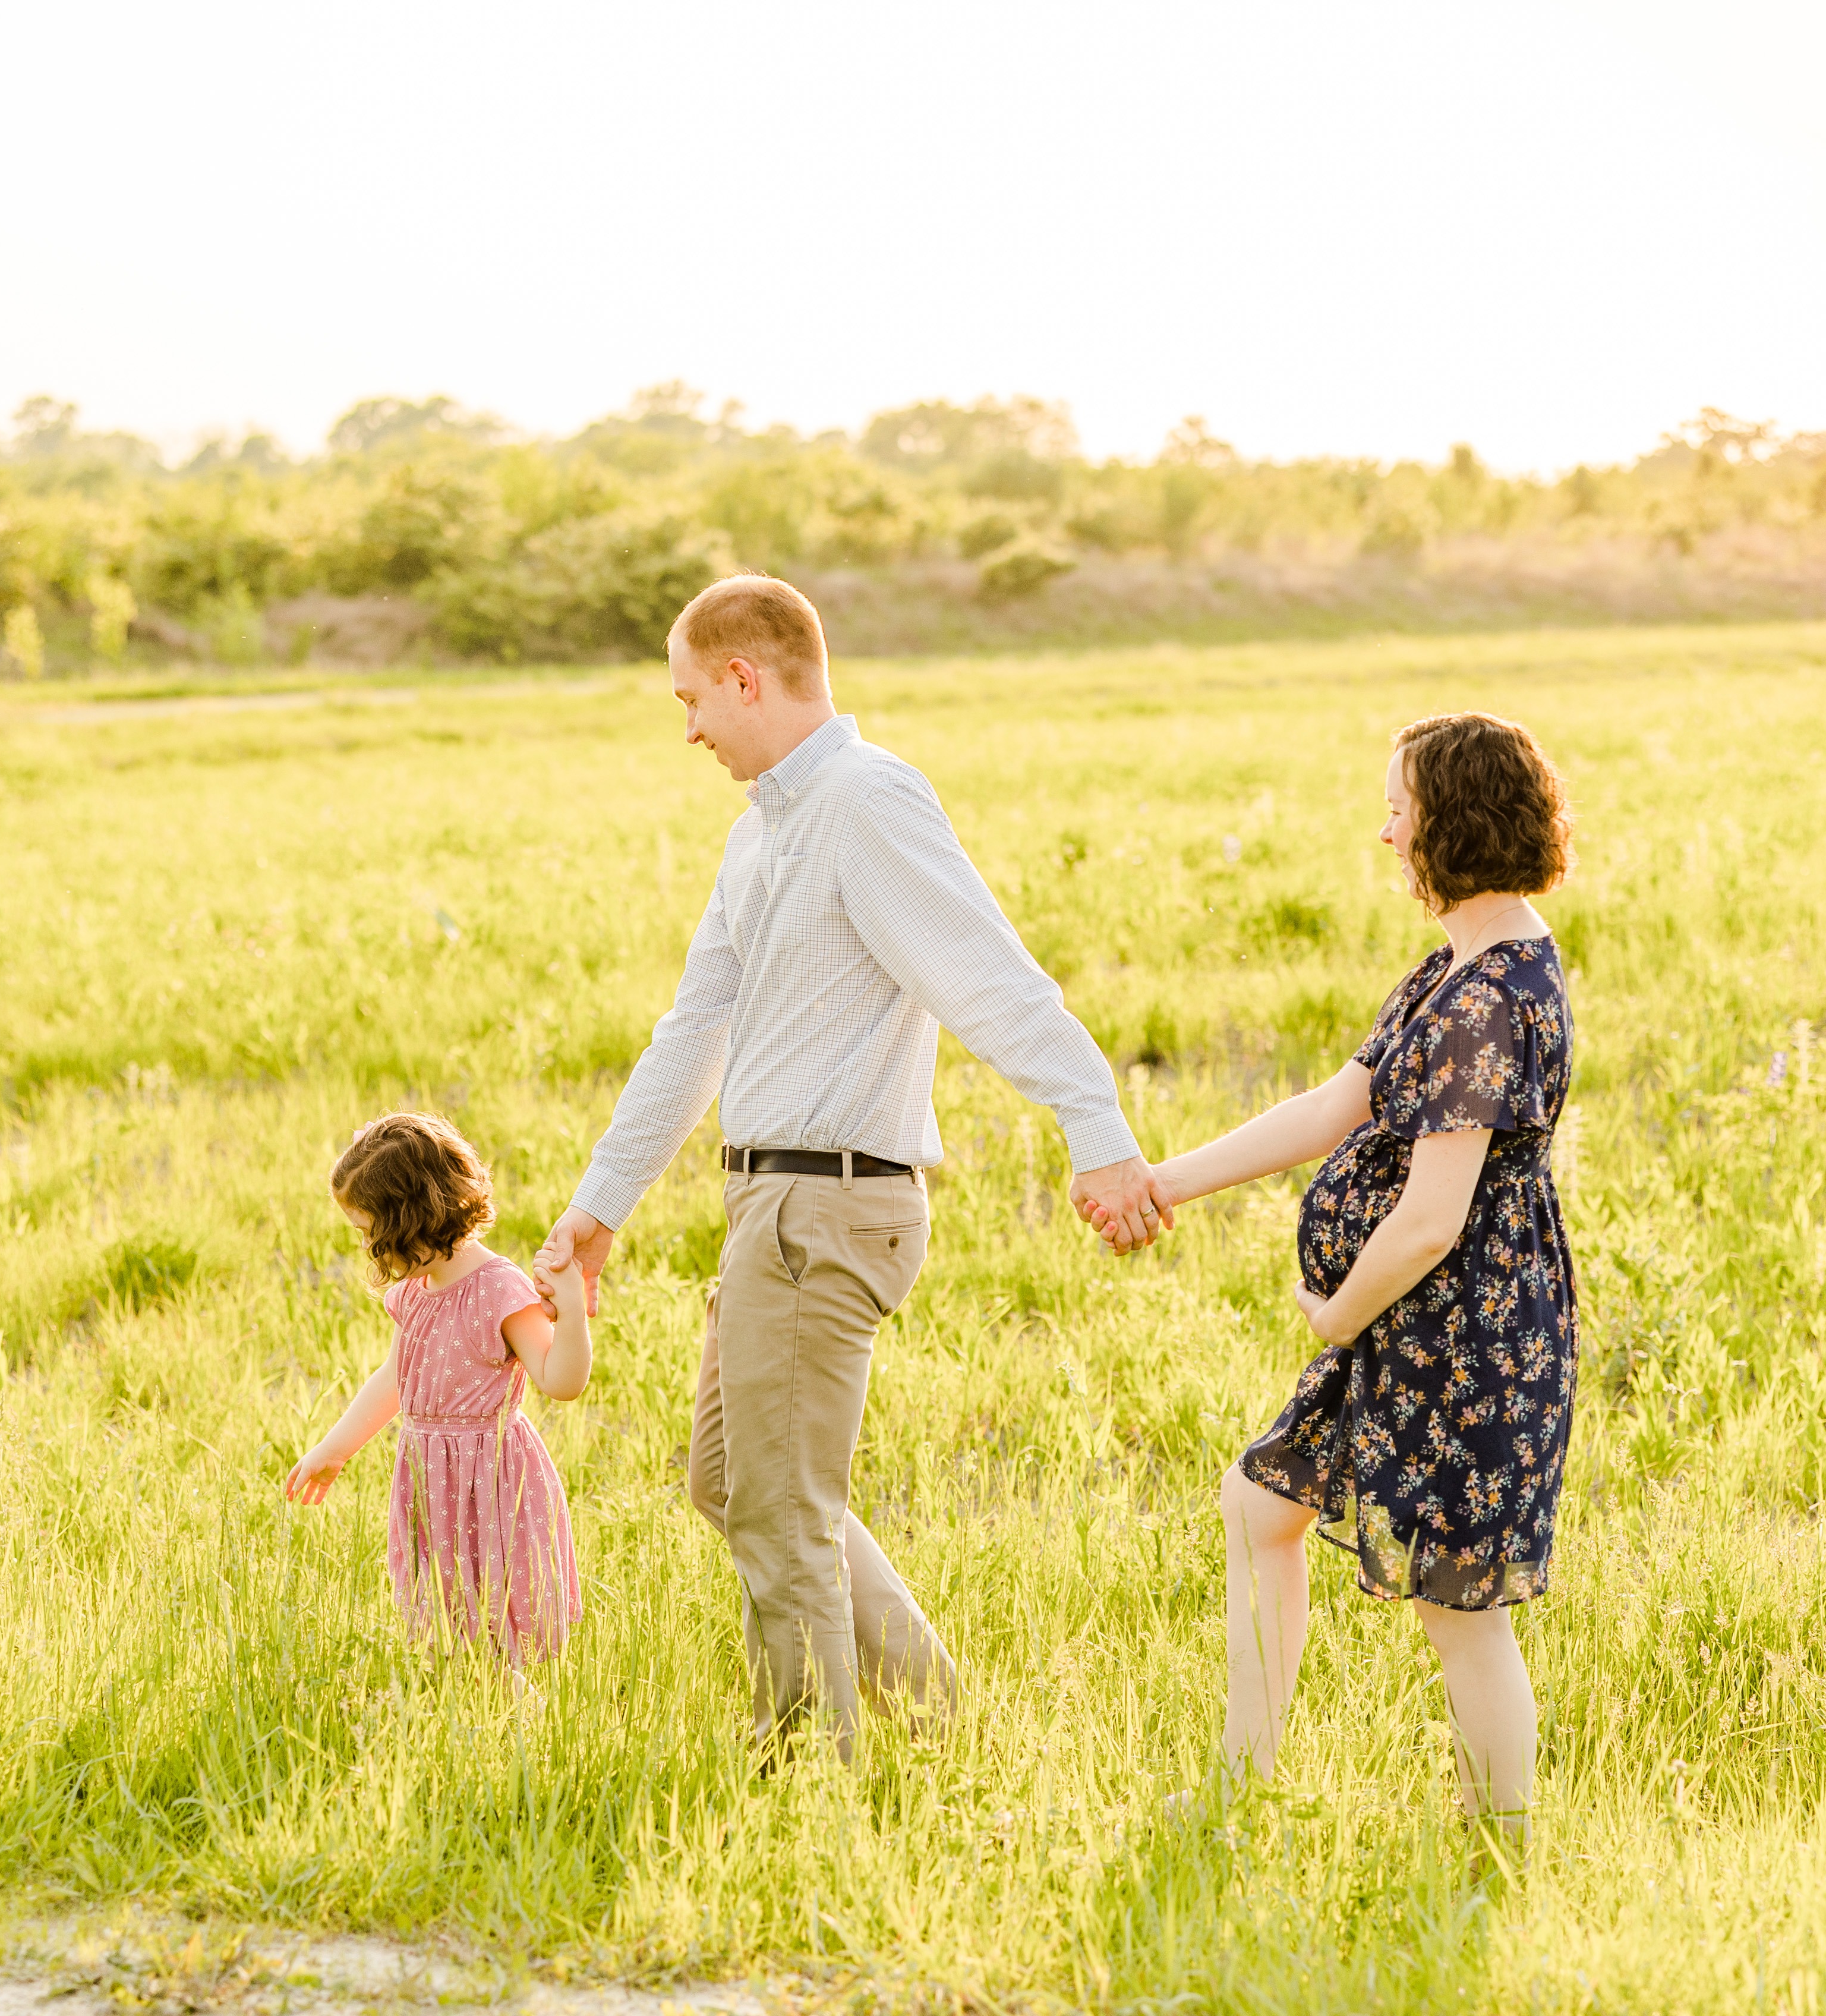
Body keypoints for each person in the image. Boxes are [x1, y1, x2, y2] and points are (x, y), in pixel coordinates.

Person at [531, 574, 1166, 1763]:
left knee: (782, 1511)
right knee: (733, 1484)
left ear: (745, 676)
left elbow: (985, 973)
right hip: (771, 1199)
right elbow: (694, 1029)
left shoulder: (867, 800)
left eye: (691, 701)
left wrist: (1099, 1126)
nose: (689, 732)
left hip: (830, 1199)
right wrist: (599, 1207)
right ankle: (937, 1717)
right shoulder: (763, 829)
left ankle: (804, 1777)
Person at [1145, 710, 1577, 1854]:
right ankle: (1242, 1788)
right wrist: (1162, 1181)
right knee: (1259, 1508)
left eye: (1399, 808)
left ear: (1454, 822)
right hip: (1413, 1330)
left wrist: (1335, 1312)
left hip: (1459, 1336)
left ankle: (1499, 1849)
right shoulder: (1457, 967)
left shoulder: (1491, 996)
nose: (1385, 833)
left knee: (1457, 1609)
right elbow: (1332, 1109)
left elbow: (1432, 1221)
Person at [285, 1113, 592, 1668]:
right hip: (433, 1477)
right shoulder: (416, 1291)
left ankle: (517, 1719)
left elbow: (560, 1382)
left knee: (504, 1613)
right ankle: (460, 1711)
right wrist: (334, 1449)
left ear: (407, 1221)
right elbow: (395, 1380)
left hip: (493, 1478)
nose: (367, 1247)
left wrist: (571, 1311)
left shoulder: (499, 1289)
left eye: (368, 1232)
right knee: (444, 1620)